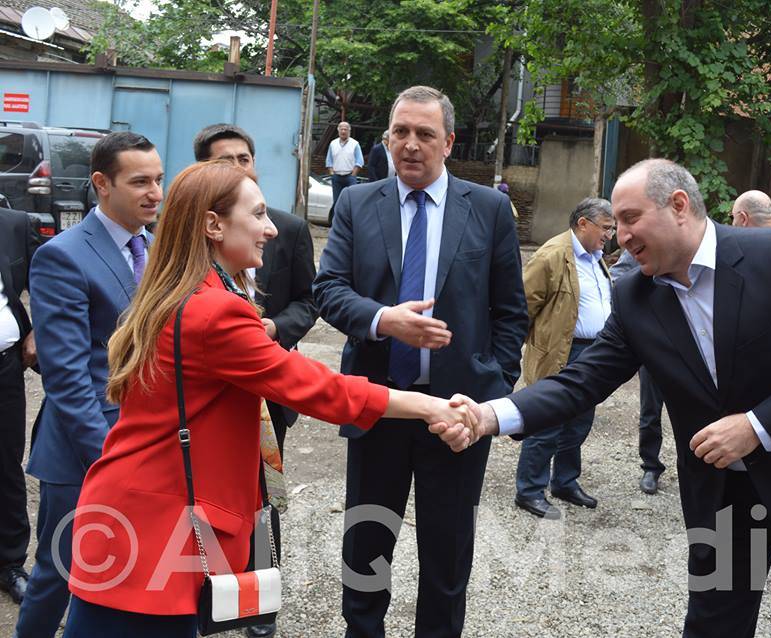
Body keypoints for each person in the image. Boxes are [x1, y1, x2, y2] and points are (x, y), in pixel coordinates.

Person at [437, 158, 771, 638]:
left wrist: (755, 426)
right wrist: (489, 415)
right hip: (725, 497)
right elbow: (581, 381)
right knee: (713, 629)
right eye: (615, 224)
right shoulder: (635, 296)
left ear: (679, 205)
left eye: (630, 218)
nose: (620, 236)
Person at [59, 160, 474, 637]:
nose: (272, 228)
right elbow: (313, 386)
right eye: (258, 214)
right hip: (154, 527)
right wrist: (428, 406)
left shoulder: (189, 291)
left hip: (142, 513)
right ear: (214, 225)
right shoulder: (215, 311)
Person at [314, 85, 527, 638]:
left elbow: (511, 313)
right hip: (378, 405)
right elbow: (328, 289)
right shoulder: (358, 203)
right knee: (366, 546)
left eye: (424, 134)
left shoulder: (488, 208)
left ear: (449, 142)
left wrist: (493, 387)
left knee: (447, 555)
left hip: (456, 413)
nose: (410, 144)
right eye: (400, 132)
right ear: (386, 139)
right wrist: (385, 319)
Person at [16, 131, 163, 638]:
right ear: (102, 183)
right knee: (61, 571)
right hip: (86, 451)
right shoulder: (63, 255)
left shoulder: (157, 247)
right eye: (140, 182)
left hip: (148, 441)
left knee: (131, 570)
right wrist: (109, 458)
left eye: (158, 180)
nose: (155, 193)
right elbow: (68, 378)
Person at [193, 123, 320, 638]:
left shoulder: (285, 228)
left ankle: (259, 606)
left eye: (243, 159)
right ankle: (200, 595)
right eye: (223, 161)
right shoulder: (187, 236)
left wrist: (273, 329)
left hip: (268, 396)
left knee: (263, 499)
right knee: (206, 498)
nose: (237, 168)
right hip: (209, 400)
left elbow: (310, 300)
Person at [514, 197, 613, 519]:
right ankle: (529, 490)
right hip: (561, 351)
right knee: (547, 420)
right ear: (583, 224)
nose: (609, 235)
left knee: (580, 421)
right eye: (606, 228)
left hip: (593, 352)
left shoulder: (596, 257)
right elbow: (523, 308)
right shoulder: (551, 255)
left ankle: (565, 482)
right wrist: (522, 351)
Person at [0, 207, 39, 605]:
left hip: (4, 367)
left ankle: (9, 562)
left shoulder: (12, 225)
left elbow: (47, 283)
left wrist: (38, 329)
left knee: (6, 465)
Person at [609, 249, 665, 495]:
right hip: (652, 347)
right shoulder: (643, 246)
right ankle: (651, 467)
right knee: (650, 411)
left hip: (689, 348)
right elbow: (616, 276)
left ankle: (697, 465)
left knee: (694, 411)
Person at [326, 121, 364, 213]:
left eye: (345, 129)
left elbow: (360, 161)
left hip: (350, 177)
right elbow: (329, 161)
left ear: (349, 131)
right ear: (338, 130)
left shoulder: (355, 144)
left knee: (351, 201)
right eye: (341, 129)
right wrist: (332, 174)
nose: (343, 131)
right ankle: (336, 220)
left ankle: (350, 221)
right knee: (337, 202)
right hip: (336, 177)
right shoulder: (333, 144)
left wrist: (353, 175)